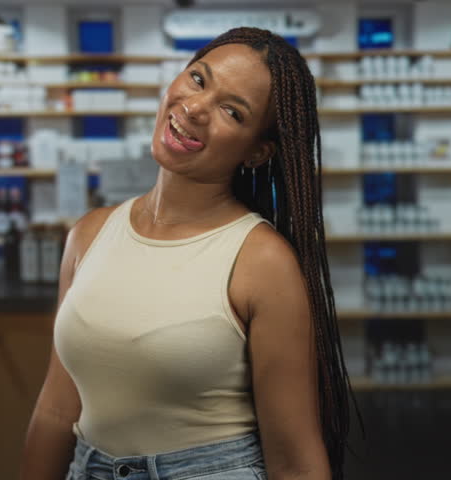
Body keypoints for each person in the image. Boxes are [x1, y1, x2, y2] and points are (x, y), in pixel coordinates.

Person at [19, 27, 358, 480]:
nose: (195, 109)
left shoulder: (262, 263)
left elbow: (295, 462)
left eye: (232, 112)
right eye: (198, 79)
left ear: (257, 152)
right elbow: (57, 410)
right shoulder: (89, 234)